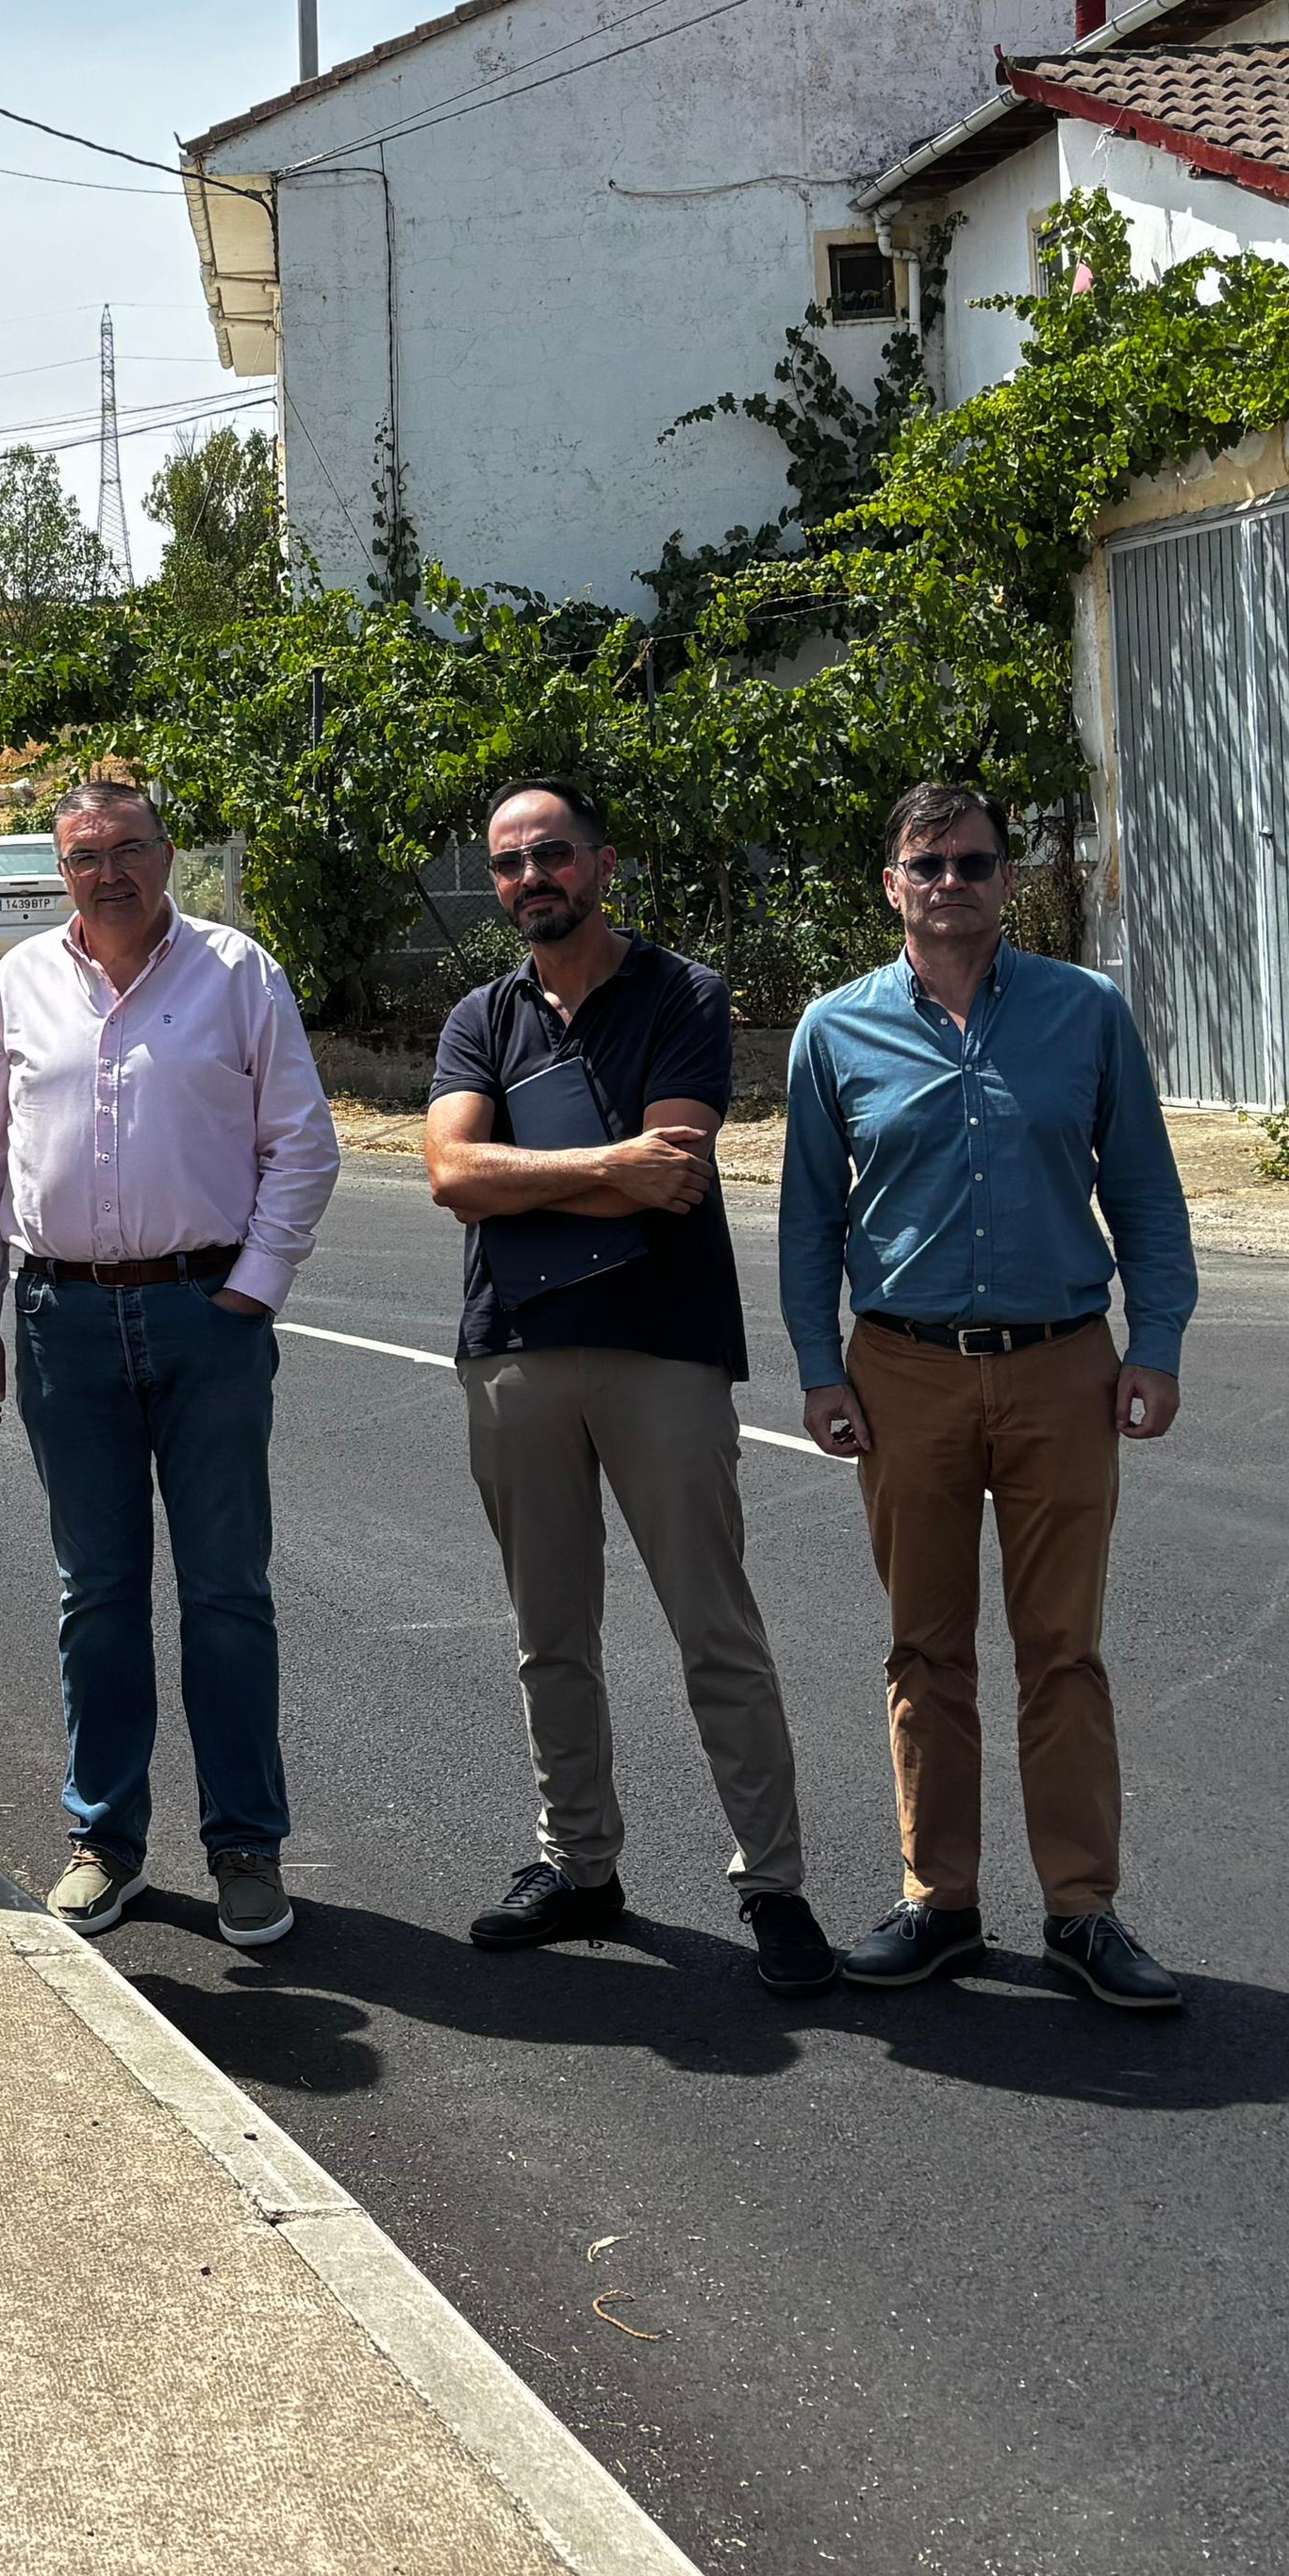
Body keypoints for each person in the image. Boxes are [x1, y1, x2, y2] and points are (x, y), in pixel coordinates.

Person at [784, 779, 1201, 2015]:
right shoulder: (834, 1031)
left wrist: (1157, 1341)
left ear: (1007, 879)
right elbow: (810, 1219)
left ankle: (1082, 1912)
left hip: (1064, 1366)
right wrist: (819, 1368)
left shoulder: (1085, 1016)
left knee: (1062, 1651)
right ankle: (940, 1904)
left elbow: (1145, 1194)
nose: (952, 884)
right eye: (930, 865)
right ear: (892, 884)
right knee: (926, 1650)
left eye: (974, 863)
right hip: (903, 1369)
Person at [423, 779, 834, 1999]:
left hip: (664, 1348)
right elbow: (449, 1173)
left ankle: (774, 1885)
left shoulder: (684, 995)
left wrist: (523, 1172)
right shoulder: (481, 1017)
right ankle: (580, 1867)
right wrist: (601, 1164)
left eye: (551, 854)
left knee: (717, 1634)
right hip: (512, 1351)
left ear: (602, 864)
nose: (530, 878)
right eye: (507, 863)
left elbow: (678, 1175)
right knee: (552, 1638)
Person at [0, 773, 339, 1947]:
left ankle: (244, 1851)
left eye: (127, 847)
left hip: (202, 1321)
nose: (106, 871)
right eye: (83, 855)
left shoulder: (236, 971)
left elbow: (303, 1144)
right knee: (96, 1595)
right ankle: (103, 1842)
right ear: (57, 871)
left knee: (225, 1592)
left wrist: (248, 1292)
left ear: (167, 855)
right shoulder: (18, 981)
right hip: (62, 1324)